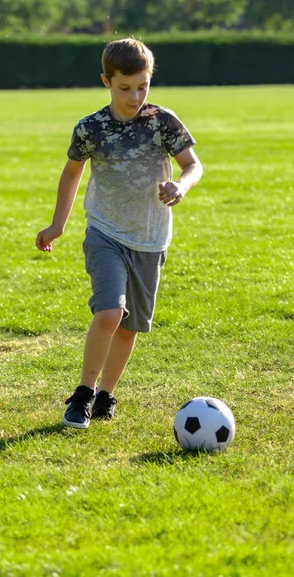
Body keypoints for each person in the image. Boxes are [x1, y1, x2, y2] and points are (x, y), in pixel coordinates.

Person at [36, 38, 203, 429]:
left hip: (150, 238)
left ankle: (107, 395)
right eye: (125, 87)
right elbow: (72, 173)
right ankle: (83, 394)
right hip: (105, 232)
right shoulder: (91, 128)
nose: (135, 95)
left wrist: (181, 185)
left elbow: (193, 164)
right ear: (106, 82)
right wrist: (58, 224)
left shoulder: (163, 121)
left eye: (143, 85)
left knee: (130, 327)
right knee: (111, 312)